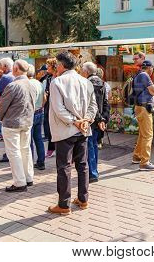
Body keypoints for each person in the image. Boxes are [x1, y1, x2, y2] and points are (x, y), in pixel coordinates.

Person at [48, 52, 97, 215]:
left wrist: (75, 121)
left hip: (66, 130)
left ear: (61, 65)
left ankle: (64, 204)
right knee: (82, 165)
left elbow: (58, 109)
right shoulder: (86, 82)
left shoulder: (57, 82)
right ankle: (83, 199)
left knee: (64, 167)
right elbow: (93, 106)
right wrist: (86, 120)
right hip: (82, 129)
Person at [0, 60, 37, 192]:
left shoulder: (13, 85)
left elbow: (2, 105)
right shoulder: (32, 84)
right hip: (27, 122)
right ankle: (28, 177)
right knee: (25, 150)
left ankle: (20, 182)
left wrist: (1, 118)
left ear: (15, 69)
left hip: (12, 123)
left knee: (14, 152)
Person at [81, 62, 110, 183]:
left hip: (92, 119)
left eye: (82, 70)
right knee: (94, 145)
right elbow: (105, 103)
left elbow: (94, 105)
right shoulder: (102, 83)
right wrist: (103, 118)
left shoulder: (88, 83)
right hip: (98, 119)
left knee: (90, 146)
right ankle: (94, 171)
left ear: (86, 72)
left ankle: (92, 173)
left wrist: (99, 119)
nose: (81, 73)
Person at [132, 60, 154, 171]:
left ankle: (137, 156)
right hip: (144, 107)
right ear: (149, 67)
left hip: (139, 107)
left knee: (142, 134)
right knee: (148, 135)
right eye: (152, 69)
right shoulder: (145, 75)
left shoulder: (138, 74)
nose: (152, 71)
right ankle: (144, 162)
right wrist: (153, 87)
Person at [0, 57, 15, 163]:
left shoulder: (5, 77)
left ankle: (9, 154)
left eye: (0, 66)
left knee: (8, 135)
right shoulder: (15, 75)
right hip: (18, 109)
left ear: (5, 66)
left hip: (8, 109)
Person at [28, 65, 46, 171]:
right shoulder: (39, 83)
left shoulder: (28, 84)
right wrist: (41, 106)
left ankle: (30, 163)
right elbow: (44, 98)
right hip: (39, 111)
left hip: (31, 113)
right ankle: (41, 161)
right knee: (38, 139)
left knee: (29, 140)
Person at [43, 58, 57, 158]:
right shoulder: (48, 78)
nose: (47, 67)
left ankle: (53, 149)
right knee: (49, 128)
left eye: (48, 65)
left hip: (57, 106)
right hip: (49, 106)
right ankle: (51, 148)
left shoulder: (59, 78)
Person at [96, 67, 110, 150]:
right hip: (105, 106)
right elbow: (110, 96)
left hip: (98, 106)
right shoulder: (106, 84)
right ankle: (100, 141)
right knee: (103, 122)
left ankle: (98, 140)